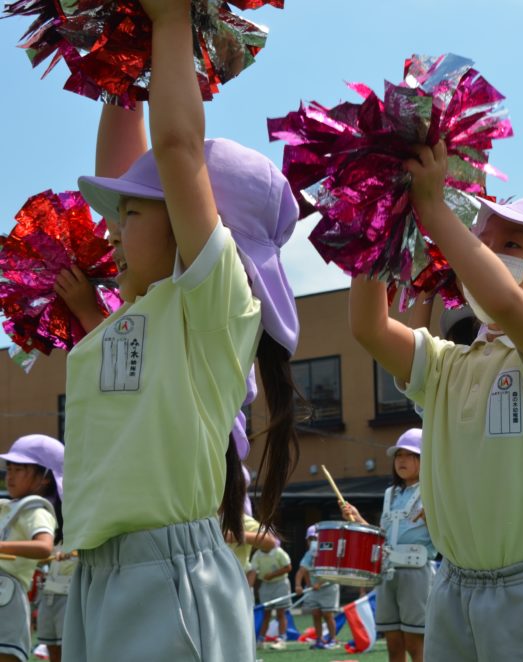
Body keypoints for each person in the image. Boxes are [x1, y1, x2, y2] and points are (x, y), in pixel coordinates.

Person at [61, 1, 302, 658]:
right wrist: (125, 60)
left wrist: (170, 19)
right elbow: (135, 165)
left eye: (133, 214)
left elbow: (176, 148)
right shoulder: (140, 312)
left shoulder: (212, 304)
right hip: (100, 571)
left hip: (165, 578)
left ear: (200, 224)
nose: (112, 230)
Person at [350, 141, 523, 661]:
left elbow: (506, 300)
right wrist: (380, 223)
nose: (483, 252)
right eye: (482, 242)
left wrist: (433, 208)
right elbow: (369, 328)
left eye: (509, 244)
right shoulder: (446, 362)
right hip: (453, 586)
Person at [341, 429, 435, 662]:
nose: (402, 460)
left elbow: (448, 533)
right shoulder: (390, 494)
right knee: (393, 643)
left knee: (415, 642)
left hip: (417, 572)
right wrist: (358, 518)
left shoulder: (434, 491)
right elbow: (382, 537)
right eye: (398, 455)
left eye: (410, 455)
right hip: (387, 572)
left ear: (425, 459)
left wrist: (434, 518)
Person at [0, 435, 62, 662]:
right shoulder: (9, 507)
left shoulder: (36, 511)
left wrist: (2, 546)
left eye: (19, 470)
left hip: (7, 597)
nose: (10, 476)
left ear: (45, 478)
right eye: (9, 469)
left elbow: (44, 546)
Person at [295, 525, 341, 651]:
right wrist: (299, 585)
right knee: (315, 614)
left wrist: (319, 584)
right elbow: (302, 571)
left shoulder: (328, 552)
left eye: (315, 539)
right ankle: (319, 639)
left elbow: (331, 572)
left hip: (329, 588)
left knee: (327, 614)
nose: (313, 542)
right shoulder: (308, 554)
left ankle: (333, 639)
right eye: (310, 539)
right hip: (314, 590)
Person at [251, 544, 293, 650]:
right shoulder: (257, 555)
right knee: (266, 614)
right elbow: (253, 572)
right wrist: (249, 588)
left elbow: (288, 567)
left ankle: (282, 639)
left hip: (280, 584)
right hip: (265, 585)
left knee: (281, 613)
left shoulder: (279, 552)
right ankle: (260, 640)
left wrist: (272, 575)